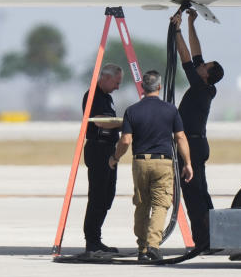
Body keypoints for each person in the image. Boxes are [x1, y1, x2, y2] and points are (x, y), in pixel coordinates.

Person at [110, 70, 192, 263]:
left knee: (141, 204)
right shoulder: (170, 110)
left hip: (139, 162)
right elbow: (180, 137)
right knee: (161, 204)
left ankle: (142, 247)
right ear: (159, 87)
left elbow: (126, 140)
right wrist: (187, 163)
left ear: (142, 88)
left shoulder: (132, 111)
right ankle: (154, 246)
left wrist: (115, 157)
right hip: (163, 162)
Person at [173, 7, 224, 250]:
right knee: (202, 193)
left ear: (206, 75)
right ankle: (212, 237)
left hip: (191, 145)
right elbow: (196, 54)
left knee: (193, 195)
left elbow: (185, 57)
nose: (200, 65)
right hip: (199, 143)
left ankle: (203, 241)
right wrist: (192, 23)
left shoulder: (200, 86)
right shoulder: (207, 86)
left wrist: (177, 30)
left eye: (205, 66)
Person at [81, 63, 123, 254]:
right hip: (98, 149)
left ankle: (96, 238)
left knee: (107, 196)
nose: (118, 86)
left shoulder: (107, 98)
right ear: (105, 77)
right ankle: (92, 241)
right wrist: (125, 122)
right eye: (116, 82)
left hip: (109, 150)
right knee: (97, 196)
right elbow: (99, 120)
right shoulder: (93, 96)